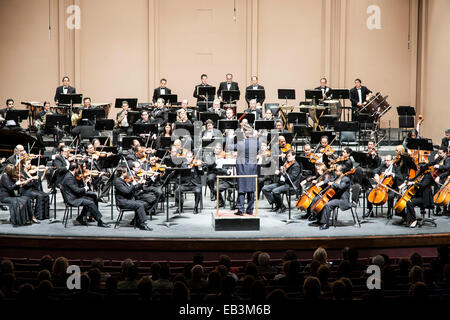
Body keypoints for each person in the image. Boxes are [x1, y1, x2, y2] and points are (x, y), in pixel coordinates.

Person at [60, 162, 109, 227]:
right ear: (75, 169)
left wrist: (85, 182)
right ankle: (100, 221)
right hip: (72, 199)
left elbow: (76, 187)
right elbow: (77, 190)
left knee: (92, 196)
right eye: (78, 169)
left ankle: (81, 218)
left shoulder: (71, 175)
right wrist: (85, 188)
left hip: (74, 195)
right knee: (90, 202)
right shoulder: (69, 177)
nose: (79, 170)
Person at [313, 164, 352, 230]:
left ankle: (325, 224)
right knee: (319, 199)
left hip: (342, 200)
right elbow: (330, 180)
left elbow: (341, 187)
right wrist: (322, 182)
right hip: (336, 197)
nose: (335, 172)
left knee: (328, 205)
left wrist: (333, 184)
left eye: (337, 171)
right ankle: (319, 219)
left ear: (341, 172)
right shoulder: (338, 177)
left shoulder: (346, 179)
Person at [114, 165, 152, 231]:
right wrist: (132, 185)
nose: (127, 173)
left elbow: (132, 189)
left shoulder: (123, 180)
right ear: (122, 173)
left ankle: (137, 221)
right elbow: (127, 192)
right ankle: (143, 224)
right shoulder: (118, 182)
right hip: (123, 202)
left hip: (128, 199)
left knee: (145, 203)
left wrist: (140, 183)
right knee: (139, 205)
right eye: (126, 172)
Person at [396, 164, 435, 228]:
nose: (418, 169)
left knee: (409, 202)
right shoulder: (420, 175)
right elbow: (412, 179)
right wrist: (405, 183)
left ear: (423, 169)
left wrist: (413, 183)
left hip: (424, 198)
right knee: (401, 199)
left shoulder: (428, 176)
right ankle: (405, 217)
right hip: (418, 195)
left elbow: (423, 185)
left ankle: (413, 220)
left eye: (419, 168)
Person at [365, 154, 404, 218]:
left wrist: (392, 174)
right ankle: (370, 211)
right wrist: (376, 175)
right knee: (368, 192)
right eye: (385, 160)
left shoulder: (396, 168)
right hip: (381, 187)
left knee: (391, 196)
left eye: (388, 160)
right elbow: (374, 171)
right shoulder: (383, 165)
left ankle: (389, 212)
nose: (386, 162)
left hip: (392, 188)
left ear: (392, 160)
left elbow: (400, 177)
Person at [233, 125, 258, 215]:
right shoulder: (255, 142)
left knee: (242, 188)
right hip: (252, 167)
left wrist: (230, 137)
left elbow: (230, 146)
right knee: (251, 188)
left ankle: (241, 209)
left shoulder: (241, 143)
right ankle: (250, 209)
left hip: (243, 167)